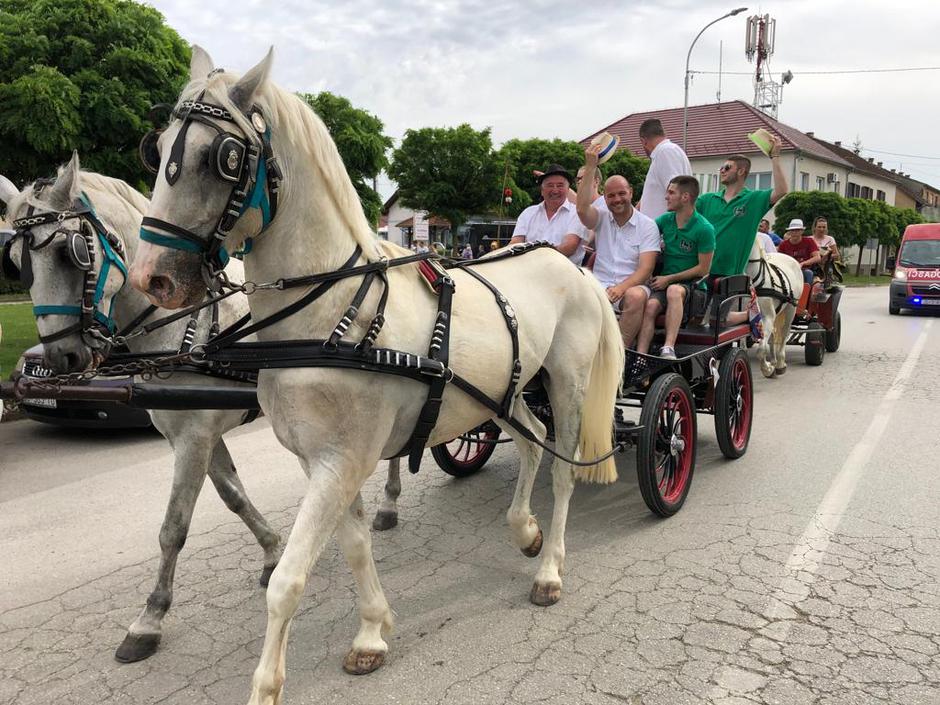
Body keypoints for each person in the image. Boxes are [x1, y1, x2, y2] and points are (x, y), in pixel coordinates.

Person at [577, 144, 660, 348]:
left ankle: (617, 354)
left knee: (636, 295)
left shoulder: (647, 225)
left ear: (631, 192)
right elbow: (581, 209)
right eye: (611, 196)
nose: (617, 199)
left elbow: (646, 269)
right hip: (600, 284)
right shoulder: (601, 218)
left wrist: (621, 288)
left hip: (631, 286)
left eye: (621, 193)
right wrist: (590, 167)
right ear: (604, 198)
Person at [635, 176, 715, 359]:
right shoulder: (665, 220)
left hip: (694, 288)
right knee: (650, 306)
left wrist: (669, 279)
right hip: (663, 284)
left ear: (685, 197)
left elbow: (703, 269)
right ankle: (640, 357)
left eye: (671, 192)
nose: (666, 197)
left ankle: (668, 348)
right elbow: (643, 235)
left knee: (673, 291)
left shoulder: (704, 228)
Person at [696, 136, 789, 281]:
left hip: (731, 276)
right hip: (700, 271)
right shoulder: (706, 199)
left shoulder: (753, 200)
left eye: (727, 168)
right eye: (721, 168)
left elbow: (782, 190)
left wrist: (775, 156)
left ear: (741, 172)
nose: (722, 171)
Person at [510, 164, 589, 264]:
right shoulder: (528, 213)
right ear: (542, 191)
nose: (555, 190)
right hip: (529, 272)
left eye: (560, 185)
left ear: (568, 190)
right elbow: (515, 243)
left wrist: (537, 261)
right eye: (550, 185)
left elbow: (569, 247)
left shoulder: (577, 214)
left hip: (566, 275)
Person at [637, 119, 692, 221]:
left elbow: (676, 193)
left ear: (643, 141)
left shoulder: (665, 152)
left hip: (664, 231)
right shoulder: (666, 152)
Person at [777, 219, 821, 285]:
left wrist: (803, 263)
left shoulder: (809, 241)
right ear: (789, 232)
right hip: (788, 270)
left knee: (808, 273)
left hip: (804, 269)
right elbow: (779, 259)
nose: (794, 232)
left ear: (802, 231)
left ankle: (806, 294)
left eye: (797, 230)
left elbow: (817, 257)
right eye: (792, 230)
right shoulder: (783, 244)